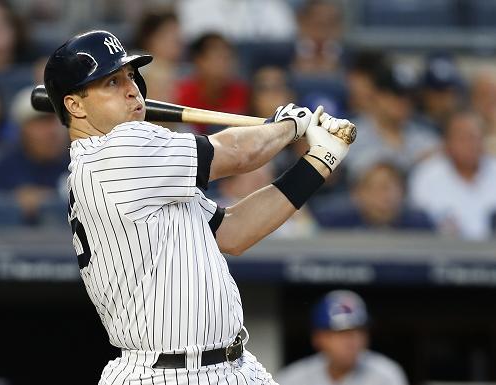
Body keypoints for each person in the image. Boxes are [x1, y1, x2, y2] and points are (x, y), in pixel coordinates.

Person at [42, 29, 354, 384]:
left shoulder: (135, 172)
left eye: (130, 76)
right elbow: (239, 153)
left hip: (231, 366)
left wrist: (320, 160)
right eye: (111, 83)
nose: (131, 89)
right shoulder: (116, 151)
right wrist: (288, 125)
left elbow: (234, 231)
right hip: (168, 373)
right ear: (75, 106)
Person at [276, 290, 408, 385]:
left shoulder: (386, 375)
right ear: (318, 338)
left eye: (359, 331)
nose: (353, 341)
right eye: (342, 333)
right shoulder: (293, 379)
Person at [408, 110, 496, 240]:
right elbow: (418, 229)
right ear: (446, 141)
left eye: (475, 137)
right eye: (462, 138)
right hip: (441, 256)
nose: (470, 144)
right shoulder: (426, 175)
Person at [0, 86, 69, 223]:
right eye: (43, 122)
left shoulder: (80, 163)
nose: (53, 130)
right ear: (23, 129)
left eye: (60, 120)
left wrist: (41, 198)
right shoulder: (6, 167)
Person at [314, 154, 434, 230]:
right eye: (372, 188)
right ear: (357, 194)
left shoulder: (420, 226)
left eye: (386, 187)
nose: (381, 195)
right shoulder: (334, 224)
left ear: (403, 191)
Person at [176, 32, 249, 134]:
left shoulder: (243, 93)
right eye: (218, 57)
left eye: (228, 57)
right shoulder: (181, 95)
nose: (225, 64)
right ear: (199, 61)